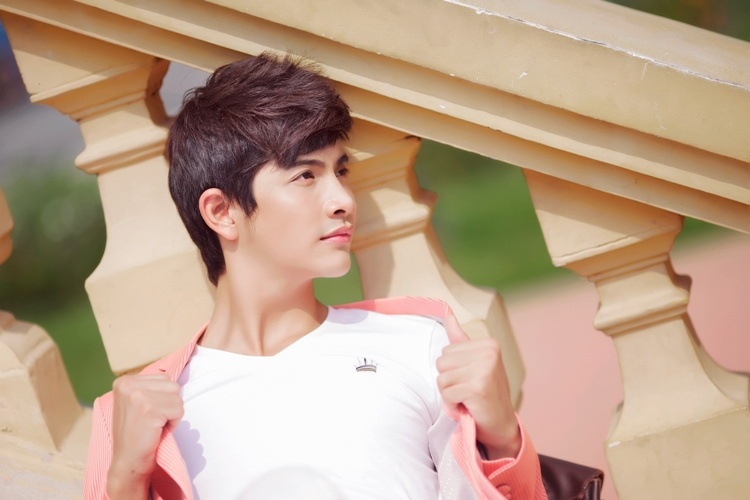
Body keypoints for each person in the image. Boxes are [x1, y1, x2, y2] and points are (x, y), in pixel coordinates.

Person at [84, 53, 546, 500]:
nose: (343, 200)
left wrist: (504, 440)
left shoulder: (420, 344)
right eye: (306, 176)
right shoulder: (141, 411)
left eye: (341, 171)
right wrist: (126, 480)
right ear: (222, 211)